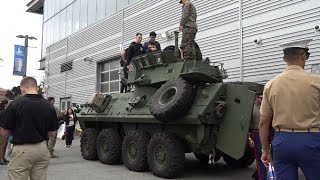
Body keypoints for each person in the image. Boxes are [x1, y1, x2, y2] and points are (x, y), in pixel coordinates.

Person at [259, 39, 320, 180]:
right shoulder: (317, 82)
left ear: (284, 59)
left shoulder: (271, 84)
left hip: (282, 141)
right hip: (311, 140)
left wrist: (265, 150)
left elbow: (263, 122)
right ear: (304, 56)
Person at [0, 77, 59, 180]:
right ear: (36, 88)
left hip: (22, 149)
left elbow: (4, 132)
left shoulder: (16, 104)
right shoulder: (49, 106)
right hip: (42, 149)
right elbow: (52, 134)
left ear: (23, 89)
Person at [248, 94, 267, 180]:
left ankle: (257, 174)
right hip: (255, 133)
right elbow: (246, 125)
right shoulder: (252, 108)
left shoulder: (264, 107)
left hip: (265, 133)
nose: (263, 99)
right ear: (256, 98)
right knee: (260, 156)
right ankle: (261, 178)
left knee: (268, 155)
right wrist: (249, 138)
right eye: (261, 98)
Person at [0, 100, 9, 165]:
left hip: (3, 129)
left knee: (4, 144)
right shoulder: (4, 112)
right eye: (8, 103)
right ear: (5, 104)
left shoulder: (3, 111)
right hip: (3, 129)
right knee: (2, 145)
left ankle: (3, 157)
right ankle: (1, 159)